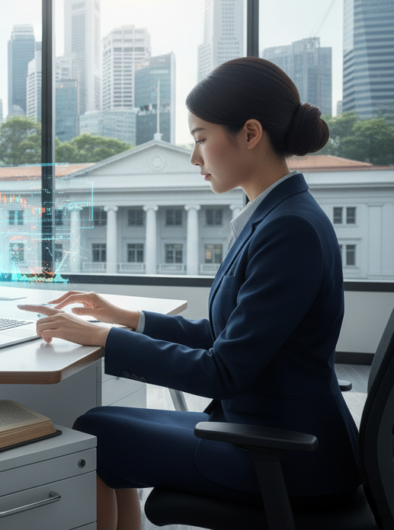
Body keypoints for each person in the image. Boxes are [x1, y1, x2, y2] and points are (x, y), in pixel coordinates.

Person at [19, 57, 361, 530]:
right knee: (98, 421)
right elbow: (227, 337)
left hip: (288, 459)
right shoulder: (276, 216)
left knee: (93, 435)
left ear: (250, 134)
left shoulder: (290, 229)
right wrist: (125, 317)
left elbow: (223, 370)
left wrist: (102, 338)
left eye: (201, 139)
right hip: (275, 435)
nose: (196, 158)